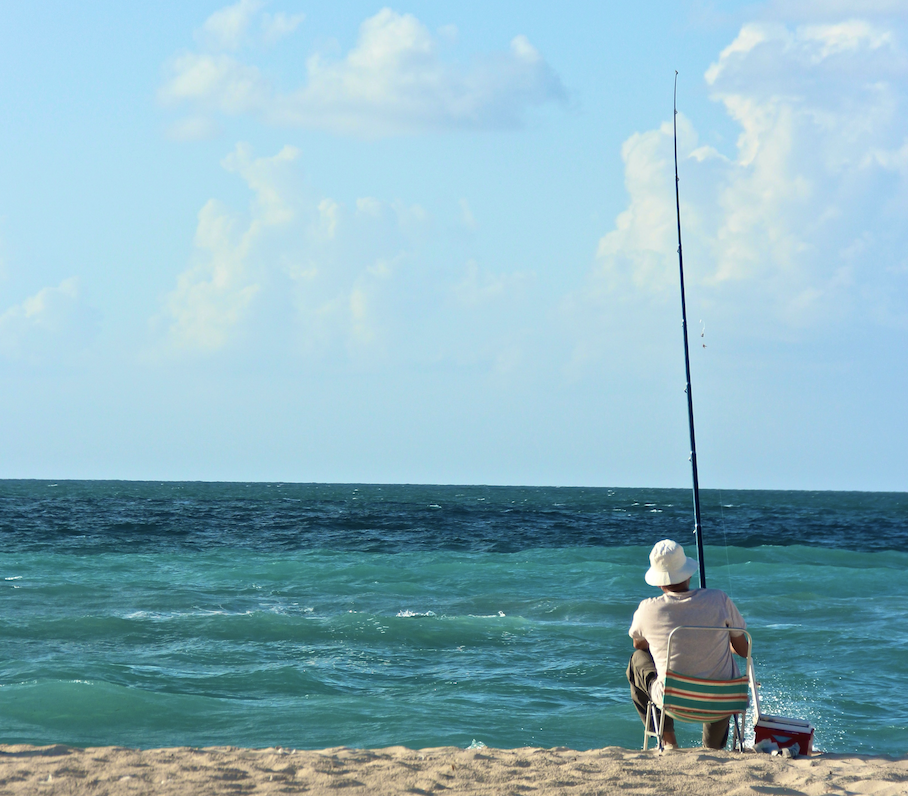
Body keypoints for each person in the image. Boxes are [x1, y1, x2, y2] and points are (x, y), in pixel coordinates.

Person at [627, 539, 749, 750]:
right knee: (718, 675)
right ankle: (713, 748)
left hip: (673, 701)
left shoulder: (647, 609)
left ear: (658, 581)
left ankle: (668, 740)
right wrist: (719, 641)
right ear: (688, 574)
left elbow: (639, 645)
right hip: (724, 700)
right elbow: (744, 650)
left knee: (637, 661)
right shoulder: (719, 599)